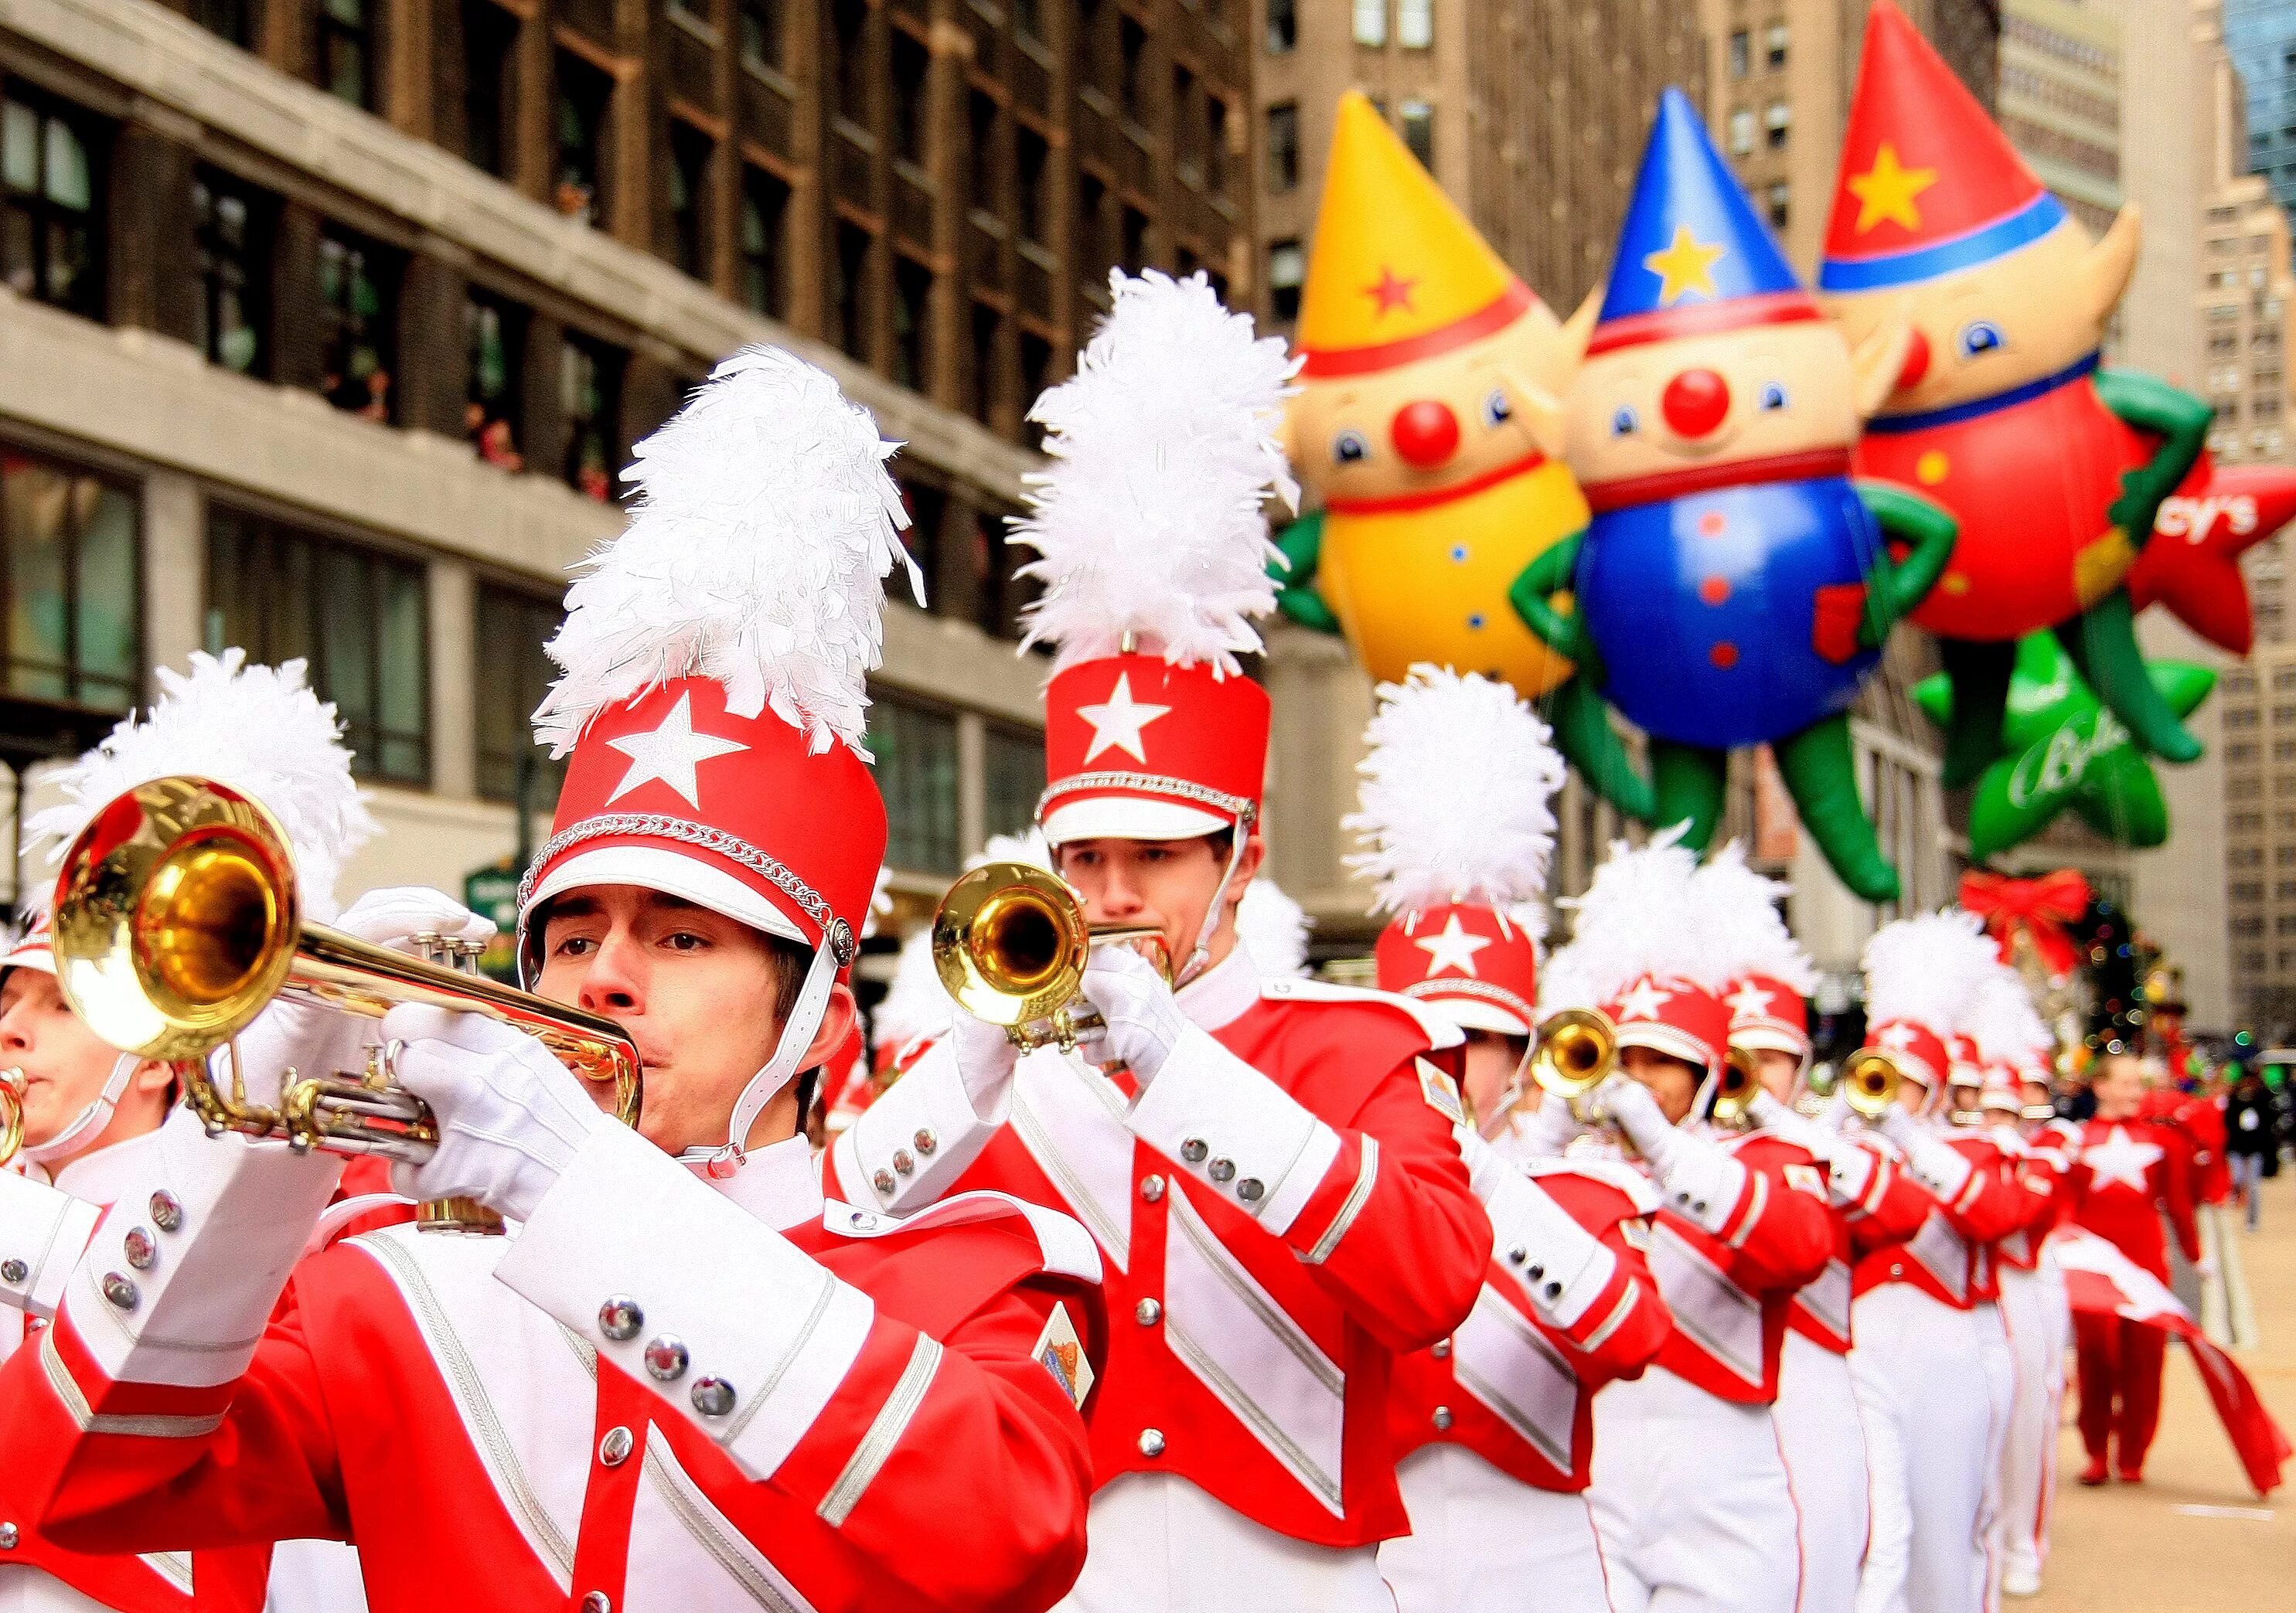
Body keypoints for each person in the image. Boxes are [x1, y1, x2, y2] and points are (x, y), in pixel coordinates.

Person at [0, 347, 1102, 1612]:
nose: (606, 977)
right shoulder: (385, 1283)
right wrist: (247, 1146)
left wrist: (582, 1183)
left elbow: (1010, 1528)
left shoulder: (973, 1259)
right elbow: (79, 1481)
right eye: (571, 937)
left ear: (815, 1012)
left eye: (682, 937)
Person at [826, 271, 1490, 1613]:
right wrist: (965, 1071)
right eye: (1085, 859)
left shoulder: (1355, 1046)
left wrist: (1179, 1069)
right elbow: (837, 1223)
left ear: (1239, 853)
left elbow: (1432, 1282)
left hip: (1297, 1578)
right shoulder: (1012, 1071)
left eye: (1157, 857)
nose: (1113, 894)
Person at [0, 650, 409, 1613]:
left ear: (155, 1051)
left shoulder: (282, 1253)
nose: (11, 1025)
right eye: (7, 996)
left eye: (59, 1003)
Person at [1354, 665, 1671, 1613]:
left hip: (1542, 1557)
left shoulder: (1587, 1196)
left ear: (1525, 1053)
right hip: (1378, 1555)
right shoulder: (1339, 1182)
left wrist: (1484, 1175)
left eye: (1478, 1041)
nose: (1449, 1064)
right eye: (1425, 1036)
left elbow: (1634, 1335)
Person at [1548, 834, 1834, 1613]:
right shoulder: (1566, 1166)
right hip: (1593, 1460)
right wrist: (1538, 1148)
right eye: (1626, 1055)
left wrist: (1668, 1154)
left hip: (1724, 1474)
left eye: (1662, 1059)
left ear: (1707, 1072)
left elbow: (1803, 1246)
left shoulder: (1760, 1159)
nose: (1638, 1077)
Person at [1698, 846, 1930, 1613]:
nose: (1757, 1073)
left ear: (1801, 1066)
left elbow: (1903, 1211)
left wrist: (1794, 1131)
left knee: (1829, 1572)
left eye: (1776, 1058)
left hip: (1813, 1386)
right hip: (1709, 1395)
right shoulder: (1679, 1155)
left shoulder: (1830, 1152)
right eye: (1744, 1057)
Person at [1848, 915, 2039, 1613]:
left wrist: (1907, 1140)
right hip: (1861, 1349)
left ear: (1932, 1091)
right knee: (1868, 1535)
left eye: (1908, 1081)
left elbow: (1994, 1216)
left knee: (1944, 1541)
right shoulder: (1839, 1150)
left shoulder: (1975, 1150)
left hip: (1948, 1350)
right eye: (1881, 1075)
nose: (1889, 1091)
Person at [2064, 1050, 2202, 1484]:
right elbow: (2066, 1206)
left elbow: (2178, 1203)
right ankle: (2095, 1450)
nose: (2133, 1093)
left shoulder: (2162, 1142)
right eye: (2124, 1083)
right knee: (2095, 1357)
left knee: (2144, 1360)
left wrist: (2196, 1254)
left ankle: (2134, 1452)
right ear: (2100, 1086)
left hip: (2144, 1264)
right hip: (2094, 1267)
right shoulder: (2077, 1140)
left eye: (2137, 1085)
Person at [2226, 1063, 2277, 1233]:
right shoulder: (2233, 1099)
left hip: (2255, 1148)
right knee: (2237, 1178)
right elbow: (2228, 1122)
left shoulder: (2262, 1098)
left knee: (2254, 1185)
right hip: (2236, 1147)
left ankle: (2252, 1220)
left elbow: (2269, 1120)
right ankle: (2237, 1196)